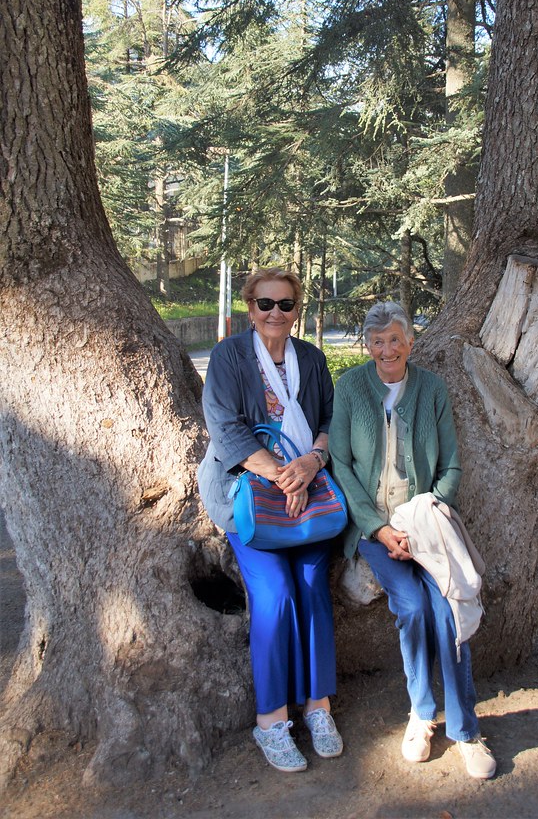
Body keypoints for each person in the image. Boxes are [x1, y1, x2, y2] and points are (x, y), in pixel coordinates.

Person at [328, 301, 496, 779]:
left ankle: (465, 731)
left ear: (410, 343)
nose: (387, 350)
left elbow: (451, 466)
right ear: (368, 345)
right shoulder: (350, 388)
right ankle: (421, 715)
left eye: (395, 340)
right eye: (378, 341)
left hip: (427, 527)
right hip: (374, 531)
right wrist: (379, 528)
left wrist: (425, 519)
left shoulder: (431, 388)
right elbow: (341, 465)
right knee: (414, 607)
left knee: (449, 610)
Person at [197, 267, 343, 773]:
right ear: (250, 308)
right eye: (265, 304)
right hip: (249, 496)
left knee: (312, 588)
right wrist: (284, 477)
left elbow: (330, 420)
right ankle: (271, 720)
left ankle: (318, 707)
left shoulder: (312, 359)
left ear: (296, 309)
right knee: (275, 595)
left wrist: (312, 464)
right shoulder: (228, 357)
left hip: (309, 497)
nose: (275, 313)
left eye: (285, 304)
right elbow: (225, 427)